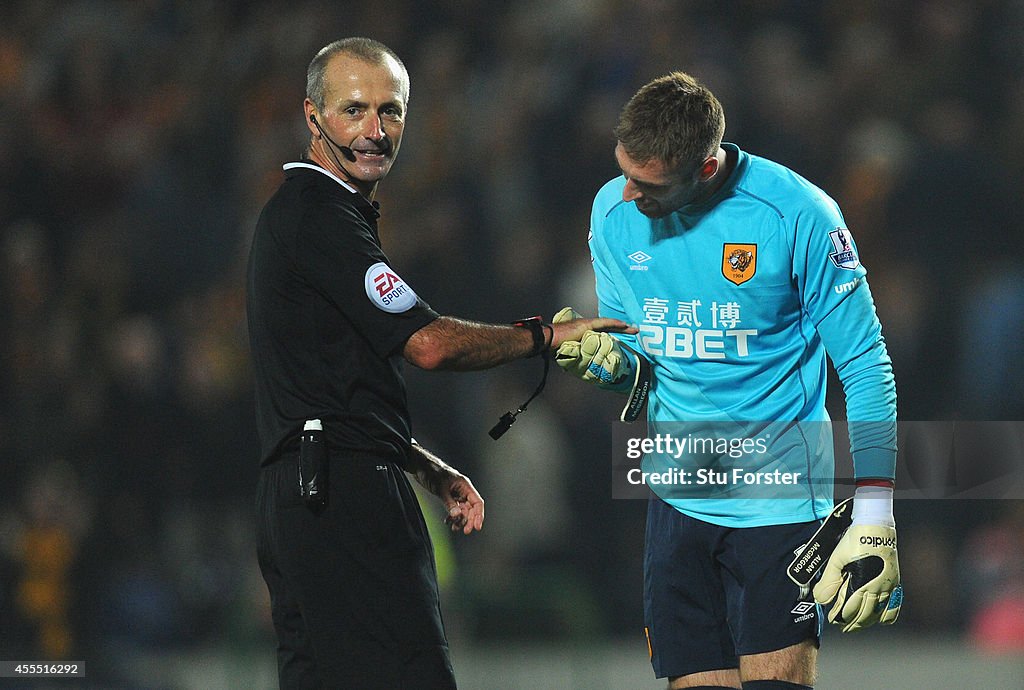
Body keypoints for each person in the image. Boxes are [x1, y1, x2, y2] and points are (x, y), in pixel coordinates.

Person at [245, 37, 633, 689]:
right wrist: (550, 337)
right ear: (313, 119)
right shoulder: (322, 218)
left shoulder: (303, 218)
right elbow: (428, 344)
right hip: (347, 500)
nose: (375, 130)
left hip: (299, 495)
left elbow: (328, 388)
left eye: (391, 111)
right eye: (354, 110)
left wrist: (421, 463)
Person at [554, 72, 901, 690]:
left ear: (706, 169)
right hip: (677, 500)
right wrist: (612, 367)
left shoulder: (800, 215)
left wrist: (876, 513)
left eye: (650, 185)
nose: (628, 195)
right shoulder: (611, 212)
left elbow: (865, 364)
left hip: (781, 505)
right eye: (624, 172)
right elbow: (643, 356)